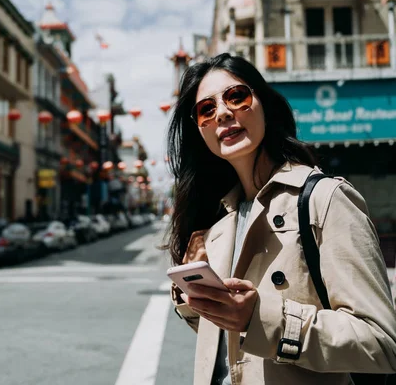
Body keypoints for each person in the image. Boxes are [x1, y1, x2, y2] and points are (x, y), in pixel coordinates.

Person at [165, 53, 396, 385]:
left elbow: (381, 342)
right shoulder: (217, 224)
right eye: (207, 110)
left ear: (265, 105)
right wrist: (193, 300)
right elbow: (229, 349)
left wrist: (260, 319)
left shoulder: (324, 199)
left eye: (236, 97)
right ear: (200, 130)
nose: (224, 113)